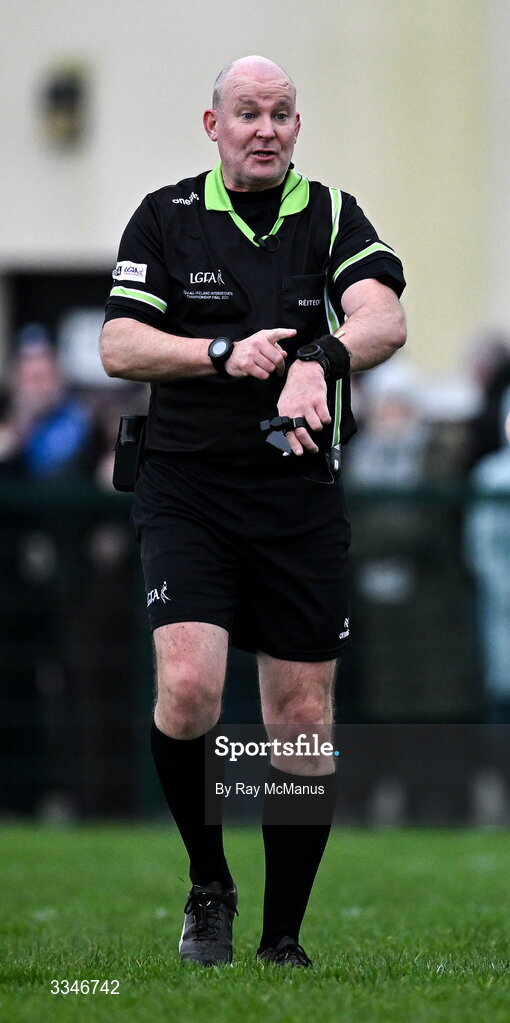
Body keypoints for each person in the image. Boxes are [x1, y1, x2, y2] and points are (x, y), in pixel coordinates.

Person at [100, 55, 406, 968]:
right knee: (190, 689)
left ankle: (281, 939)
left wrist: (322, 358)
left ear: (297, 128)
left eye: (280, 114)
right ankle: (208, 882)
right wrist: (220, 350)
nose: (265, 128)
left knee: (300, 715)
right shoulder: (166, 216)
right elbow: (118, 342)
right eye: (247, 113)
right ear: (213, 126)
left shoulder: (333, 213)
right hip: (186, 490)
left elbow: (383, 317)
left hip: (298, 497)